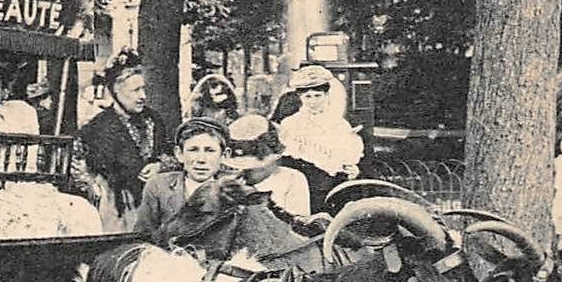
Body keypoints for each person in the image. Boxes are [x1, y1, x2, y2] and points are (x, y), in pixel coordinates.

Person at [130, 116, 301, 261]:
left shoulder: (235, 191)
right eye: (193, 150)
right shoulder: (159, 186)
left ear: (224, 155)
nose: (201, 159)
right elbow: (143, 238)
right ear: (179, 154)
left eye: (210, 150)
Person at [78, 51, 174, 232]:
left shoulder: (153, 119)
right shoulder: (99, 127)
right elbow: (91, 170)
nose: (143, 96)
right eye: (136, 90)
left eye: (144, 89)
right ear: (116, 90)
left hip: (156, 204)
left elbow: (168, 152)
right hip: (118, 208)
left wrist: (159, 166)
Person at [275, 64, 364, 209]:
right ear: (300, 97)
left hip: (330, 184)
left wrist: (354, 168)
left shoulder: (339, 124)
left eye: (318, 96)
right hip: (300, 183)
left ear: (326, 95)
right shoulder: (290, 123)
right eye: (307, 96)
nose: (313, 101)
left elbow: (350, 155)